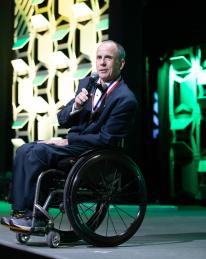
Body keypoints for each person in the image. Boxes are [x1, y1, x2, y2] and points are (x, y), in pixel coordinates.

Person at [0, 40, 138, 232]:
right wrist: (76, 106)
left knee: (37, 153)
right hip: (75, 143)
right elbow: (62, 120)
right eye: (99, 57)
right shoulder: (87, 83)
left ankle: (36, 217)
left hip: (93, 149)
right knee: (23, 149)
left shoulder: (125, 99)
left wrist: (68, 140)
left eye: (108, 58)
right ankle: (20, 212)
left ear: (120, 64)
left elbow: (107, 140)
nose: (102, 63)